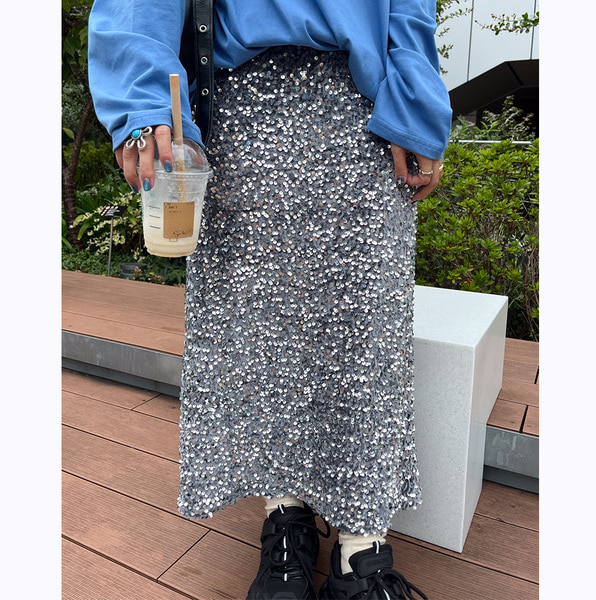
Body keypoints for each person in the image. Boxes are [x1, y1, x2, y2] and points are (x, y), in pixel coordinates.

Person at [88, 1, 451, 599]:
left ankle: (363, 545)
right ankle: (286, 517)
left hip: (365, 112)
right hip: (240, 106)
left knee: (365, 331)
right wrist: (145, 98)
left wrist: (417, 101)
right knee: (259, 333)